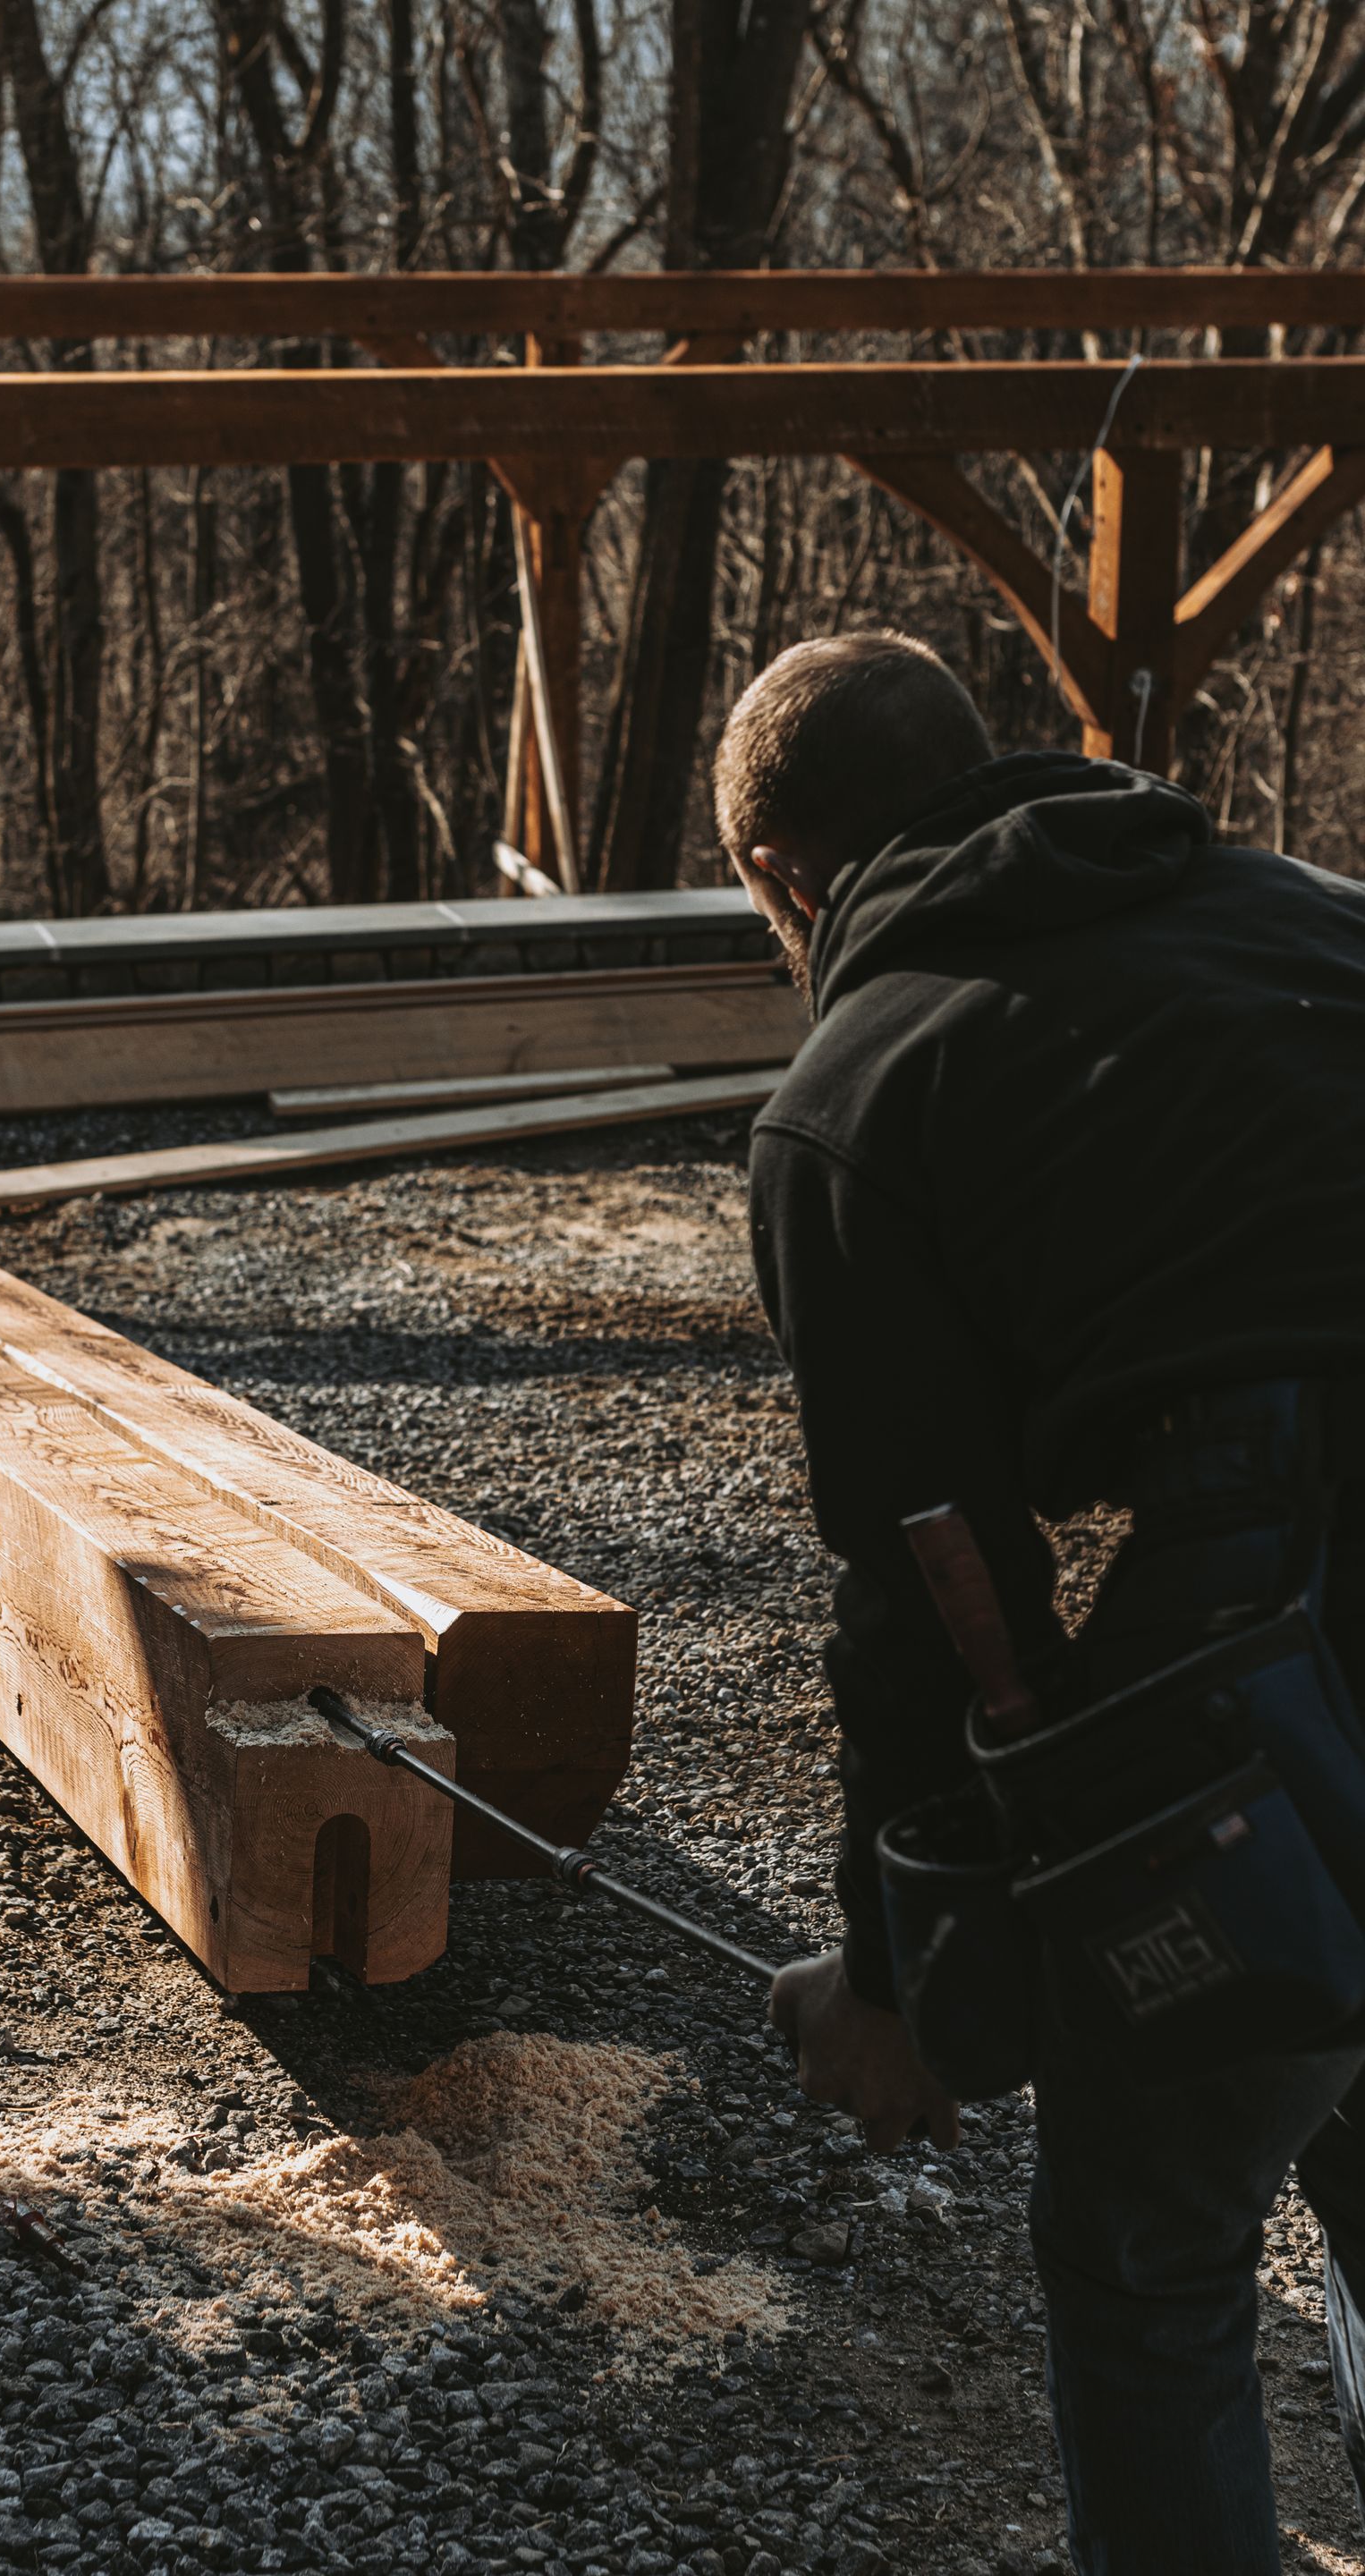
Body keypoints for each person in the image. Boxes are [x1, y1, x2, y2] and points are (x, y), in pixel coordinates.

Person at [715, 629, 1365, 2574]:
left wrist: (904, 1977)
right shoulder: (1312, 920)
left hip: (1279, 1548)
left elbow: (936, 1586)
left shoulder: (861, 1086)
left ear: (788, 881)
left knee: (1151, 2241)